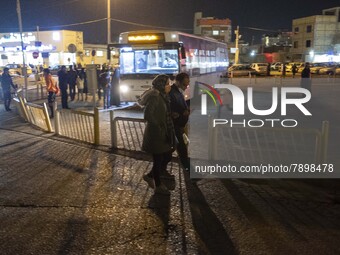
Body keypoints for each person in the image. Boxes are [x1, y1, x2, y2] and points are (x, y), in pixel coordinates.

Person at [139, 74, 176, 195]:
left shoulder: (163, 96)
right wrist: (159, 125)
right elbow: (148, 115)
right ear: (161, 85)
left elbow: (162, 112)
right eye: (167, 84)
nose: (169, 86)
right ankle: (158, 184)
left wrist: (170, 116)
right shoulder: (155, 97)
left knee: (165, 156)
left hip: (164, 132)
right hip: (156, 134)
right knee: (158, 159)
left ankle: (150, 176)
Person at [169, 72, 191, 171]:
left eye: (187, 84)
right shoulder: (172, 93)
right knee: (181, 148)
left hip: (180, 125)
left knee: (181, 148)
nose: (186, 87)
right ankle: (189, 170)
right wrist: (182, 112)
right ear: (177, 82)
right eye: (184, 84)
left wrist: (186, 110)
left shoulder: (178, 92)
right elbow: (171, 108)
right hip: (176, 126)